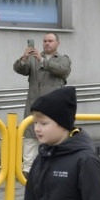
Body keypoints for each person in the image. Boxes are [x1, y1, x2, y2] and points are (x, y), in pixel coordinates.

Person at [14, 33, 71, 175]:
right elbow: (19, 69)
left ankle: (49, 171)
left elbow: (62, 70)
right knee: (30, 138)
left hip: (53, 110)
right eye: (45, 41)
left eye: (50, 41)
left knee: (51, 140)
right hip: (34, 107)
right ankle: (27, 173)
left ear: (57, 43)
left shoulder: (63, 59)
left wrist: (42, 61)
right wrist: (24, 58)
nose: (47, 43)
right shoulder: (33, 59)